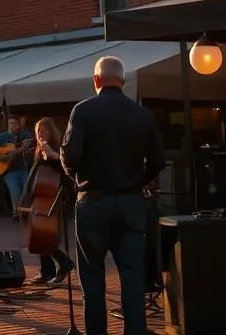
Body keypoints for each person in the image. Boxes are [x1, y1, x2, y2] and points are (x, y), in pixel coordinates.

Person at [62, 55, 164, 335]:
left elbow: (71, 157)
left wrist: (74, 173)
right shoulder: (142, 114)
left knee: (93, 277)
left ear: (96, 80)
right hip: (131, 202)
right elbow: (158, 160)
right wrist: (138, 181)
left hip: (93, 202)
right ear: (123, 80)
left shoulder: (83, 111)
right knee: (133, 276)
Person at [21, 117, 75, 285]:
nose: (40, 134)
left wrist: (48, 150)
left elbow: (64, 166)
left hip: (53, 199)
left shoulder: (56, 149)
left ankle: (65, 264)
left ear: (51, 131)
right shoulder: (39, 150)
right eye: (38, 131)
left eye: (44, 130)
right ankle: (46, 272)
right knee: (39, 235)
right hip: (39, 197)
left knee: (44, 237)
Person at [0, 115, 35, 220]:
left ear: (18, 125)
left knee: (26, 193)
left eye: (14, 124)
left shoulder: (24, 135)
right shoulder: (2, 137)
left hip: (22, 169)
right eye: (10, 123)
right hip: (9, 171)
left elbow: (30, 144)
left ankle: (26, 215)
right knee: (16, 195)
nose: (11, 126)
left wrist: (26, 147)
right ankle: (18, 214)